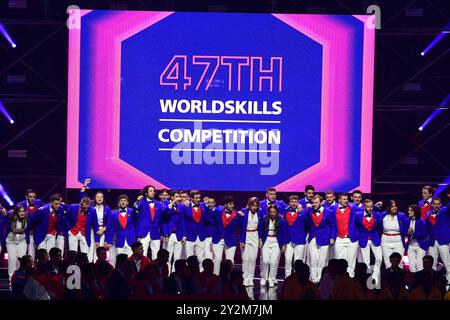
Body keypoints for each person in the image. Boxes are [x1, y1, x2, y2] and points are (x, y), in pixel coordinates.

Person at [80, 179, 112, 263]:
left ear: (103, 198)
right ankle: (90, 264)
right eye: (97, 197)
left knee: (100, 249)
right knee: (91, 247)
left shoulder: (107, 208)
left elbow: (109, 222)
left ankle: (99, 265)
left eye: (101, 197)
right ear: (95, 198)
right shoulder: (90, 206)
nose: (99, 198)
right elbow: (82, 197)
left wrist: (103, 229)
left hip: (102, 231)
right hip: (91, 230)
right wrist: (84, 185)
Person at [329, 193, 360, 278]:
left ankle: (350, 279)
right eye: (344, 199)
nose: (346, 201)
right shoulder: (332, 208)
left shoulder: (353, 208)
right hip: (339, 238)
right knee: (339, 260)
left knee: (351, 261)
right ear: (339, 200)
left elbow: (365, 210)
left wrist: (375, 207)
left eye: (347, 199)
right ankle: (339, 279)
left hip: (352, 239)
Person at [307, 195, 335, 283]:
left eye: (316, 202)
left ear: (321, 203)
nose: (314, 204)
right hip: (312, 238)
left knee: (322, 261)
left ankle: (321, 278)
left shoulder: (329, 212)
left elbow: (333, 226)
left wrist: (332, 237)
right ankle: (313, 278)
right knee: (313, 259)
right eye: (313, 203)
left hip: (324, 239)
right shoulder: (309, 211)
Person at [212, 196, 242, 275]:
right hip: (218, 238)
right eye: (230, 204)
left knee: (230, 260)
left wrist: (242, 216)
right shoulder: (218, 211)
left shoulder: (237, 215)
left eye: (233, 204)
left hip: (231, 239)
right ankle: (215, 277)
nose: (232, 205)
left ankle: (229, 277)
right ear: (225, 205)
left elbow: (240, 227)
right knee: (217, 259)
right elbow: (209, 212)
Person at [356, 199, 382, 283]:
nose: (370, 208)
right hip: (363, 239)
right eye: (368, 207)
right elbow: (355, 227)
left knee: (379, 258)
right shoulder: (358, 215)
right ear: (364, 207)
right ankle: (368, 279)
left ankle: (375, 277)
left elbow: (380, 227)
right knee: (366, 261)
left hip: (375, 239)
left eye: (371, 206)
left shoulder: (376, 214)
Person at [134, 185, 163, 260]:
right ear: (146, 193)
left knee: (156, 256)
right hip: (143, 232)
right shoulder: (141, 202)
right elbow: (135, 208)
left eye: (154, 191)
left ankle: (155, 271)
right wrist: (137, 201)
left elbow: (166, 211)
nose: (153, 192)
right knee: (142, 255)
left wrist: (172, 204)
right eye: (151, 191)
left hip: (155, 232)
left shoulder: (159, 204)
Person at [260, 204, 287, 287]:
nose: (272, 214)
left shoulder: (281, 220)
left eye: (274, 212)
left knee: (273, 261)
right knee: (265, 261)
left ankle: (272, 279)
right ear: (268, 212)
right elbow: (260, 230)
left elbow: (285, 233)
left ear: (277, 212)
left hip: (276, 242)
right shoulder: (264, 219)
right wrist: (260, 239)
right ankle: (264, 278)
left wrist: (284, 245)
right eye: (271, 212)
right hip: (266, 241)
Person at [239, 197, 264, 287]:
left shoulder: (260, 212)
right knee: (246, 259)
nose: (254, 208)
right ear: (249, 205)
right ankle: (245, 278)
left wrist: (260, 239)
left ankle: (251, 278)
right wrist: (242, 240)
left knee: (253, 259)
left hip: (255, 235)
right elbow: (241, 227)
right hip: (245, 236)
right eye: (253, 206)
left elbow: (261, 227)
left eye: (256, 206)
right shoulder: (244, 211)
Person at [105, 195, 136, 265]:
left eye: (125, 201)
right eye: (121, 201)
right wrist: (109, 241)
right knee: (120, 262)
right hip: (119, 240)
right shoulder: (113, 213)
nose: (123, 202)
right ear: (118, 202)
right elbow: (111, 228)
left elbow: (137, 224)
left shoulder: (133, 212)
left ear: (128, 202)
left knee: (131, 261)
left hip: (131, 240)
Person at [179, 190, 207, 267]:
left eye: (199, 198)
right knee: (189, 259)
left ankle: (200, 277)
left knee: (201, 259)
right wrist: (184, 235)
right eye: (196, 198)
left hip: (201, 236)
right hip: (189, 236)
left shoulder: (203, 205)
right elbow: (182, 221)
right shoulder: (185, 206)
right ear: (191, 198)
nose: (198, 199)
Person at [425, 198, 450, 283]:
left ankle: (449, 283)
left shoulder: (445, 211)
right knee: (432, 263)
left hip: (443, 240)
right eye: (434, 204)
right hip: (432, 241)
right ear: (432, 205)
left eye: (438, 204)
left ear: (441, 204)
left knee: (447, 263)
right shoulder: (428, 214)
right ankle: (433, 282)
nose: (436, 205)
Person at [3, 205, 29, 281]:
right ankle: (11, 279)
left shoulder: (27, 218)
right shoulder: (11, 217)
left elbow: (37, 214)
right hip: (10, 242)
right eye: (20, 211)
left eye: (23, 211)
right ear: (16, 213)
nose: (22, 213)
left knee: (21, 260)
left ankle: (20, 278)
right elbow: (4, 213)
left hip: (22, 241)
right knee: (12, 259)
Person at [283, 195, 307, 278]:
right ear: (289, 203)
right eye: (292, 202)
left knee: (298, 261)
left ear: (298, 203)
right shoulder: (285, 211)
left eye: (295, 202)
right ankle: (287, 277)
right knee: (288, 260)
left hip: (300, 240)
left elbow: (307, 224)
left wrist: (299, 213)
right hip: (289, 240)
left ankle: (297, 277)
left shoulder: (303, 212)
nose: (294, 203)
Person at [161, 190, 185, 273]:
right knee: (167, 257)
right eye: (176, 196)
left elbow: (182, 221)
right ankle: (166, 275)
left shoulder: (180, 206)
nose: (178, 198)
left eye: (179, 197)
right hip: (169, 234)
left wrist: (184, 235)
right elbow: (165, 212)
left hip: (178, 234)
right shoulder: (165, 203)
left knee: (177, 258)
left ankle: (175, 275)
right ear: (172, 197)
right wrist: (166, 234)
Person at [17, 189, 44, 261]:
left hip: (36, 233)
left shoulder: (39, 203)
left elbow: (47, 207)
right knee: (23, 254)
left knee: (34, 254)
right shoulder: (20, 205)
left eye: (34, 197)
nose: (32, 198)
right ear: (26, 197)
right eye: (30, 197)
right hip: (24, 233)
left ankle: (34, 270)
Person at [380, 200, 407, 268]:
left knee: (399, 263)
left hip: (398, 242)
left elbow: (406, 226)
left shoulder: (402, 215)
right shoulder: (383, 215)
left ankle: (399, 278)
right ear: (388, 208)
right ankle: (389, 278)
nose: (395, 208)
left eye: (395, 206)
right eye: (392, 206)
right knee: (388, 263)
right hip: (386, 241)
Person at [405, 204, 429, 273]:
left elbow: (424, 234)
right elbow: (404, 232)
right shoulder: (407, 220)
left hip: (420, 245)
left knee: (420, 265)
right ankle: (414, 282)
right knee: (411, 266)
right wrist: (408, 233)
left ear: (415, 212)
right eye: (408, 210)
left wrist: (413, 233)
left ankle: (421, 282)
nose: (409, 212)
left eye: (411, 210)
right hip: (410, 245)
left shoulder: (421, 221)